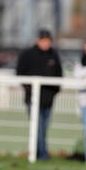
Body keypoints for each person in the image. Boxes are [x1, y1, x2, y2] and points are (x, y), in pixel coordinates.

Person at [16, 29, 63, 160]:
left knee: (44, 127)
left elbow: (59, 75)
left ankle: (37, 152)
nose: (45, 43)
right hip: (33, 98)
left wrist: (54, 92)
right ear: (38, 40)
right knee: (38, 127)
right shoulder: (28, 54)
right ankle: (43, 154)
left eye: (47, 40)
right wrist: (28, 89)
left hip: (48, 99)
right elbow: (20, 73)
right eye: (43, 40)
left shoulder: (54, 55)